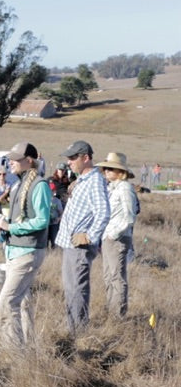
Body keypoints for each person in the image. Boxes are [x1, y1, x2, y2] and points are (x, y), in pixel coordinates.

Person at [0, 142, 51, 346]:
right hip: (16, 251)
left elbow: (42, 220)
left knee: (7, 304)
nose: (11, 162)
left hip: (27, 252)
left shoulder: (39, 185)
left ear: (29, 161)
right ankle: (28, 350)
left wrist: (11, 228)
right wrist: (2, 228)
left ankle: (13, 357)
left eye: (16, 159)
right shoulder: (19, 184)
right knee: (23, 302)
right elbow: (17, 220)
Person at [54, 140, 110, 334]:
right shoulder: (85, 179)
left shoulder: (94, 181)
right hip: (72, 244)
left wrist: (89, 236)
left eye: (72, 158)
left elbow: (103, 212)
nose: (69, 162)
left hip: (80, 246)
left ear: (86, 158)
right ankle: (74, 329)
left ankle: (78, 333)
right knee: (71, 289)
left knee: (76, 289)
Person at [97, 152, 138, 318]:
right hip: (108, 237)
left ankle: (118, 314)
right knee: (108, 276)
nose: (106, 171)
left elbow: (130, 216)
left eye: (110, 168)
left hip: (118, 238)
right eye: (105, 168)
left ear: (120, 171)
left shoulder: (125, 188)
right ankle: (111, 309)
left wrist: (114, 234)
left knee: (116, 276)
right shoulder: (111, 188)